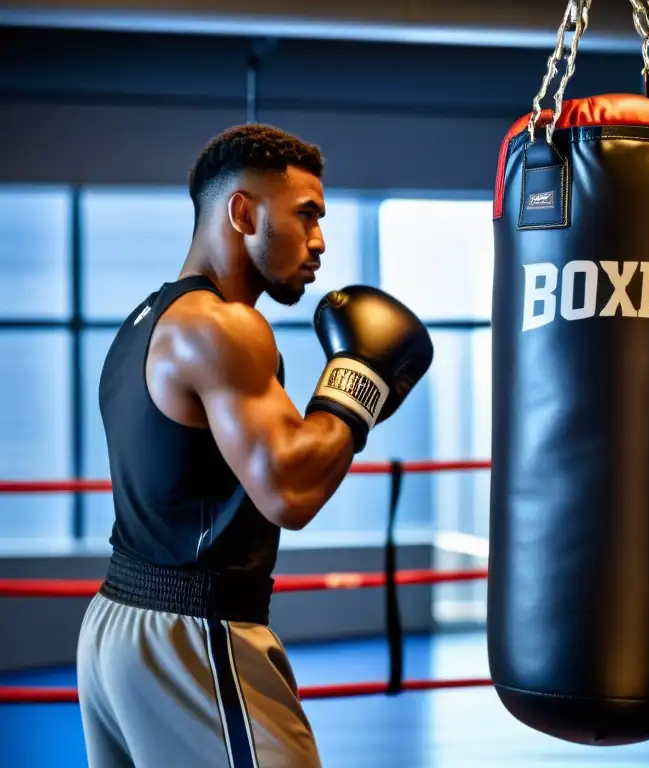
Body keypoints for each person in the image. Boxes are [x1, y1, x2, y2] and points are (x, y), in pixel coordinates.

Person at [75, 123, 434, 768]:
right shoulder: (225, 326)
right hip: (192, 634)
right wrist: (357, 385)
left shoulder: (145, 321)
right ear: (242, 212)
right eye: (306, 216)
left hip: (115, 625)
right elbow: (288, 491)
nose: (320, 241)